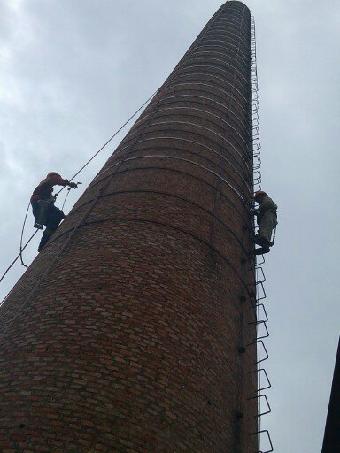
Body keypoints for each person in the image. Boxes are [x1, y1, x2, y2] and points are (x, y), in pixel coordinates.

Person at [31, 172, 77, 252]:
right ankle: (43, 243)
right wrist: (68, 183)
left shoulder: (46, 188)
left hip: (42, 206)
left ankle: (45, 241)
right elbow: (57, 180)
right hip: (40, 204)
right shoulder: (48, 181)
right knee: (57, 215)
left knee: (56, 217)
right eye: (58, 177)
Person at [252, 190, 277, 255]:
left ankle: (263, 239)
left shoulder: (266, 199)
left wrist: (257, 210)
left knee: (265, 228)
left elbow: (267, 204)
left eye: (257, 199)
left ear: (261, 196)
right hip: (269, 217)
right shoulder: (264, 202)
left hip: (268, 216)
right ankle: (265, 245)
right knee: (266, 229)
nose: (257, 201)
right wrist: (257, 212)